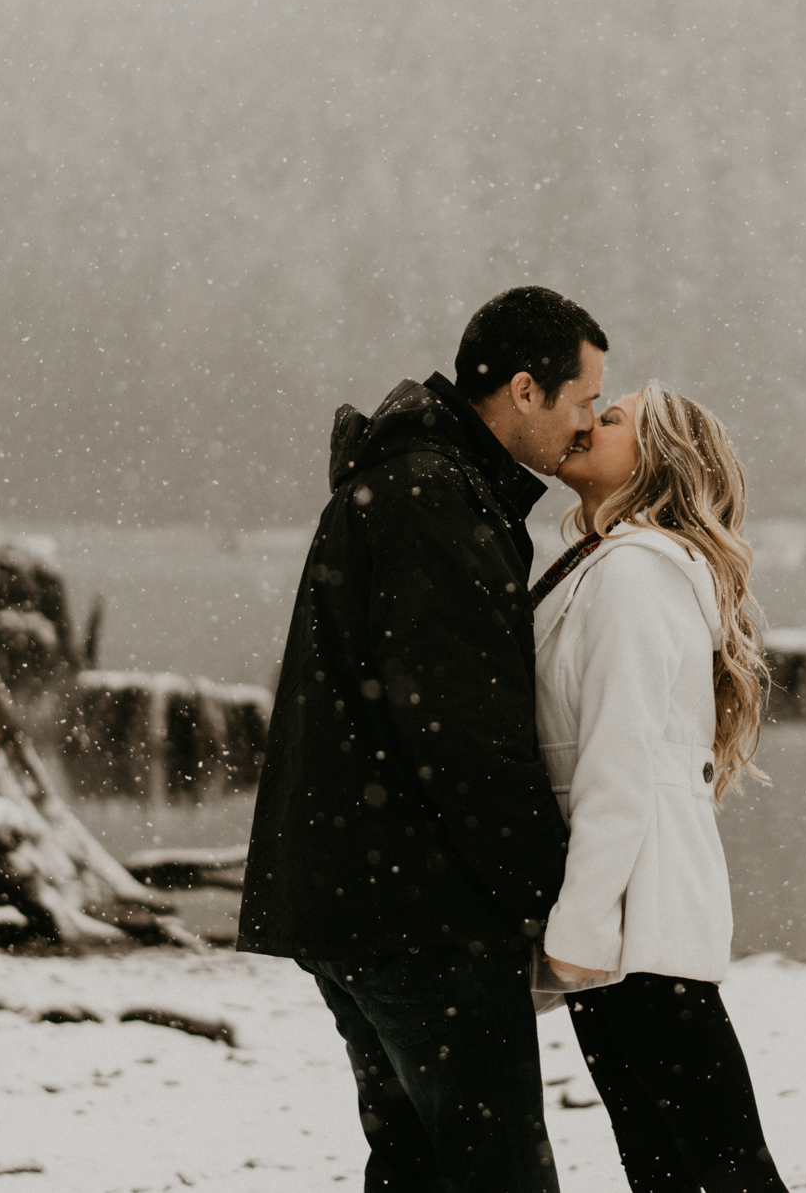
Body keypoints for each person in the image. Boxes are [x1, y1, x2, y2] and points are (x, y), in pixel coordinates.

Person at [237, 286, 607, 1192]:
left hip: (356, 899)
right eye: (584, 398)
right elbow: (463, 738)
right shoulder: (433, 498)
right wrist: (554, 897)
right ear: (525, 390)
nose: (589, 422)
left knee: (416, 1165)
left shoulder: (416, 480)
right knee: (494, 1172)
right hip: (413, 915)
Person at [528, 380, 788, 1192]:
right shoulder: (604, 564)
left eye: (611, 420)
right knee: (670, 1166)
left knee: (716, 1167)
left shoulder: (636, 573)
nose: (586, 423)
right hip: (625, 923)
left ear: (658, 462)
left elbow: (620, 762)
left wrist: (574, 927)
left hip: (634, 922)